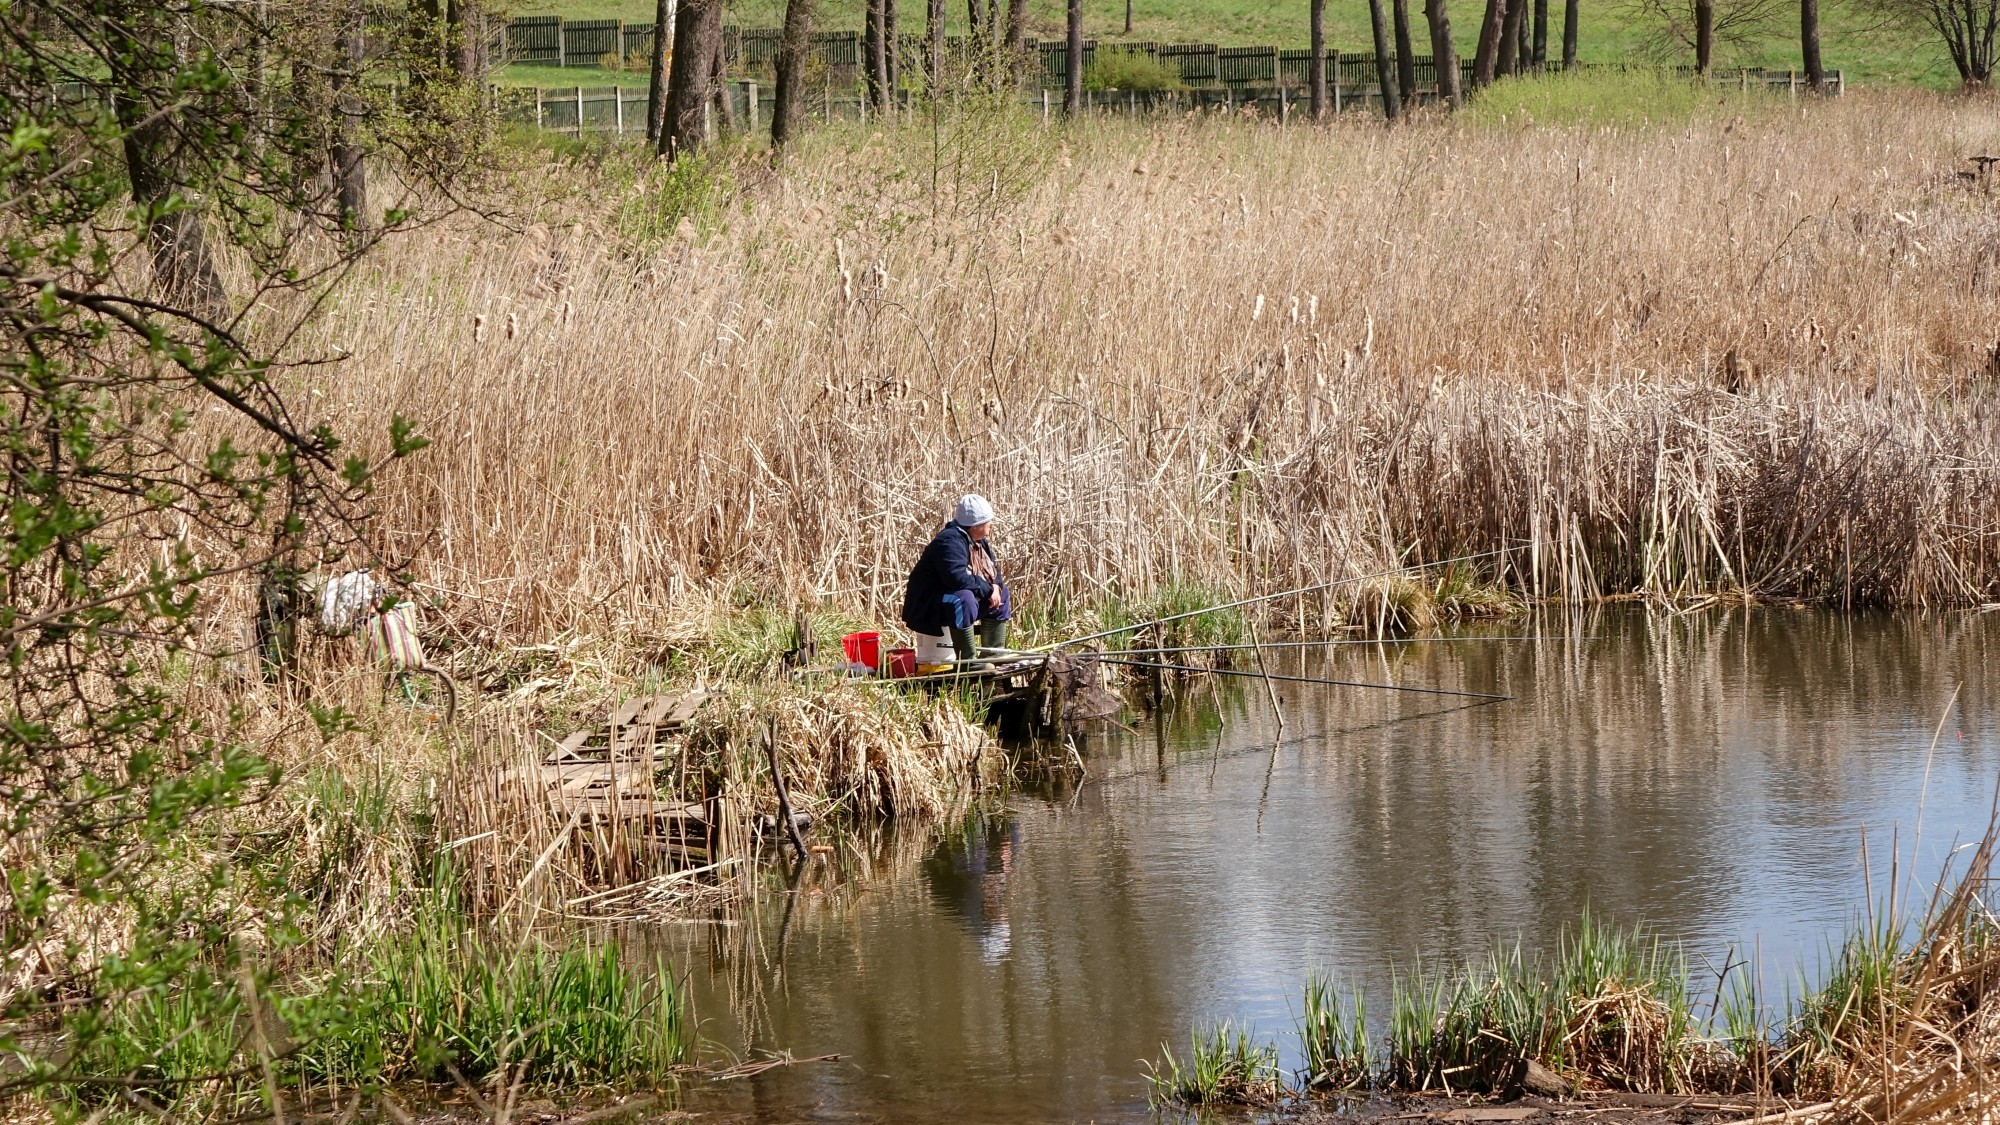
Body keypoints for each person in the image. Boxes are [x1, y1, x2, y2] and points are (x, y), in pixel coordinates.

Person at [901, 494, 1011, 663]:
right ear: (976, 525)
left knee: (1002, 594)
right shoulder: (949, 541)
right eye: (988, 520)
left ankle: (993, 656)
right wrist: (988, 590)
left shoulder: (979, 542)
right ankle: (967, 662)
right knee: (963, 600)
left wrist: (995, 586)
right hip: (930, 604)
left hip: (948, 598)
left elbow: (994, 570)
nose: (991, 524)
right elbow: (956, 578)